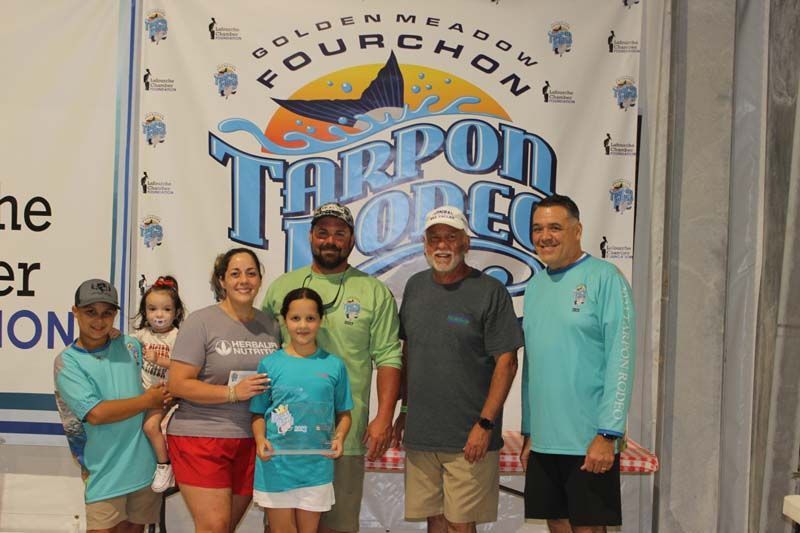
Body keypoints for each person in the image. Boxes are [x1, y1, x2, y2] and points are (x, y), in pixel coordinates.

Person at [262, 202, 402, 533]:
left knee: (338, 527)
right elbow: (264, 354)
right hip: (286, 440)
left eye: (339, 234)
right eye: (323, 232)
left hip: (342, 438)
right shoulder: (282, 288)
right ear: (310, 237)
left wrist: (383, 417)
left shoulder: (374, 292)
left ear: (352, 240)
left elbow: (388, 357)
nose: (330, 240)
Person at [392, 206, 523, 532]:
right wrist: (404, 409)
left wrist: (485, 424)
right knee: (434, 520)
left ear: (466, 243)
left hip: (469, 437)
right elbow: (408, 354)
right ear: (424, 244)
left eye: (451, 237)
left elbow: (507, 363)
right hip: (422, 436)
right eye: (435, 238)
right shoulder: (415, 287)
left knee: (460, 525)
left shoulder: (489, 292)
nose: (442, 245)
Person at [520, 194, 636, 533]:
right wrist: (530, 432)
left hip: (589, 440)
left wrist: (607, 433)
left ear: (578, 230)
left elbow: (622, 356)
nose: (545, 236)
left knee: (588, 529)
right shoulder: (536, 285)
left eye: (555, 227)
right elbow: (534, 365)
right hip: (544, 441)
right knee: (557, 524)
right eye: (537, 228)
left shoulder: (605, 278)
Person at [167, 248, 281, 532]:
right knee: (214, 526)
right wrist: (232, 393)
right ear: (222, 281)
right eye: (235, 273)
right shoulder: (201, 322)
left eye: (251, 273)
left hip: (250, 439)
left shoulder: (270, 325)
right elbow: (178, 383)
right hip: (202, 435)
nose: (244, 280)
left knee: (224, 527)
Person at [54, 279, 170, 532]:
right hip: (103, 472)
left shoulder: (131, 346)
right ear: (75, 312)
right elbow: (96, 414)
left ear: (115, 314)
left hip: (143, 468)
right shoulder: (67, 362)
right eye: (90, 312)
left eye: (107, 313)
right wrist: (148, 400)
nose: (99, 320)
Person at [251, 288, 353, 533]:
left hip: (316, 467)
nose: (303, 326)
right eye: (295, 318)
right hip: (276, 465)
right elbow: (258, 412)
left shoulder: (334, 366)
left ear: (321, 320)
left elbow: (344, 413)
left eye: (310, 318)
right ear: (284, 320)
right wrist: (260, 439)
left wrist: (339, 438)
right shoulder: (270, 364)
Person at [130, 275, 185, 492]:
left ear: (176, 312)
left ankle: (165, 465)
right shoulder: (140, 335)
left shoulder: (178, 337)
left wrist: (159, 360)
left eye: (166, 309)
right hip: (142, 395)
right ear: (145, 312)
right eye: (152, 309)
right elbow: (124, 345)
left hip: (164, 395)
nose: (159, 315)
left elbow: (183, 365)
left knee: (151, 427)